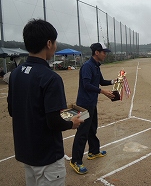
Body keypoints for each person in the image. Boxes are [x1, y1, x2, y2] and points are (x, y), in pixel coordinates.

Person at [7, 19, 83, 186]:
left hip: (27, 153)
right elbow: (54, 121)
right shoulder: (51, 77)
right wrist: (72, 123)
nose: (55, 46)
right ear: (49, 43)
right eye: (54, 42)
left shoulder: (15, 73)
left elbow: (13, 110)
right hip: (47, 157)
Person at [70, 42, 115, 174]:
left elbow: (101, 81)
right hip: (84, 105)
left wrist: (114, 81)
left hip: (91, 104)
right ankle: (76, 160)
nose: (105, 54)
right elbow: (86, 85)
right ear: (97, 52)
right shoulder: (87, 66)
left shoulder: (96, 67)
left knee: (92, 128)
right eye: (103, 52)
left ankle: (93, 151)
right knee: (82, 132)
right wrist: (103, 91)